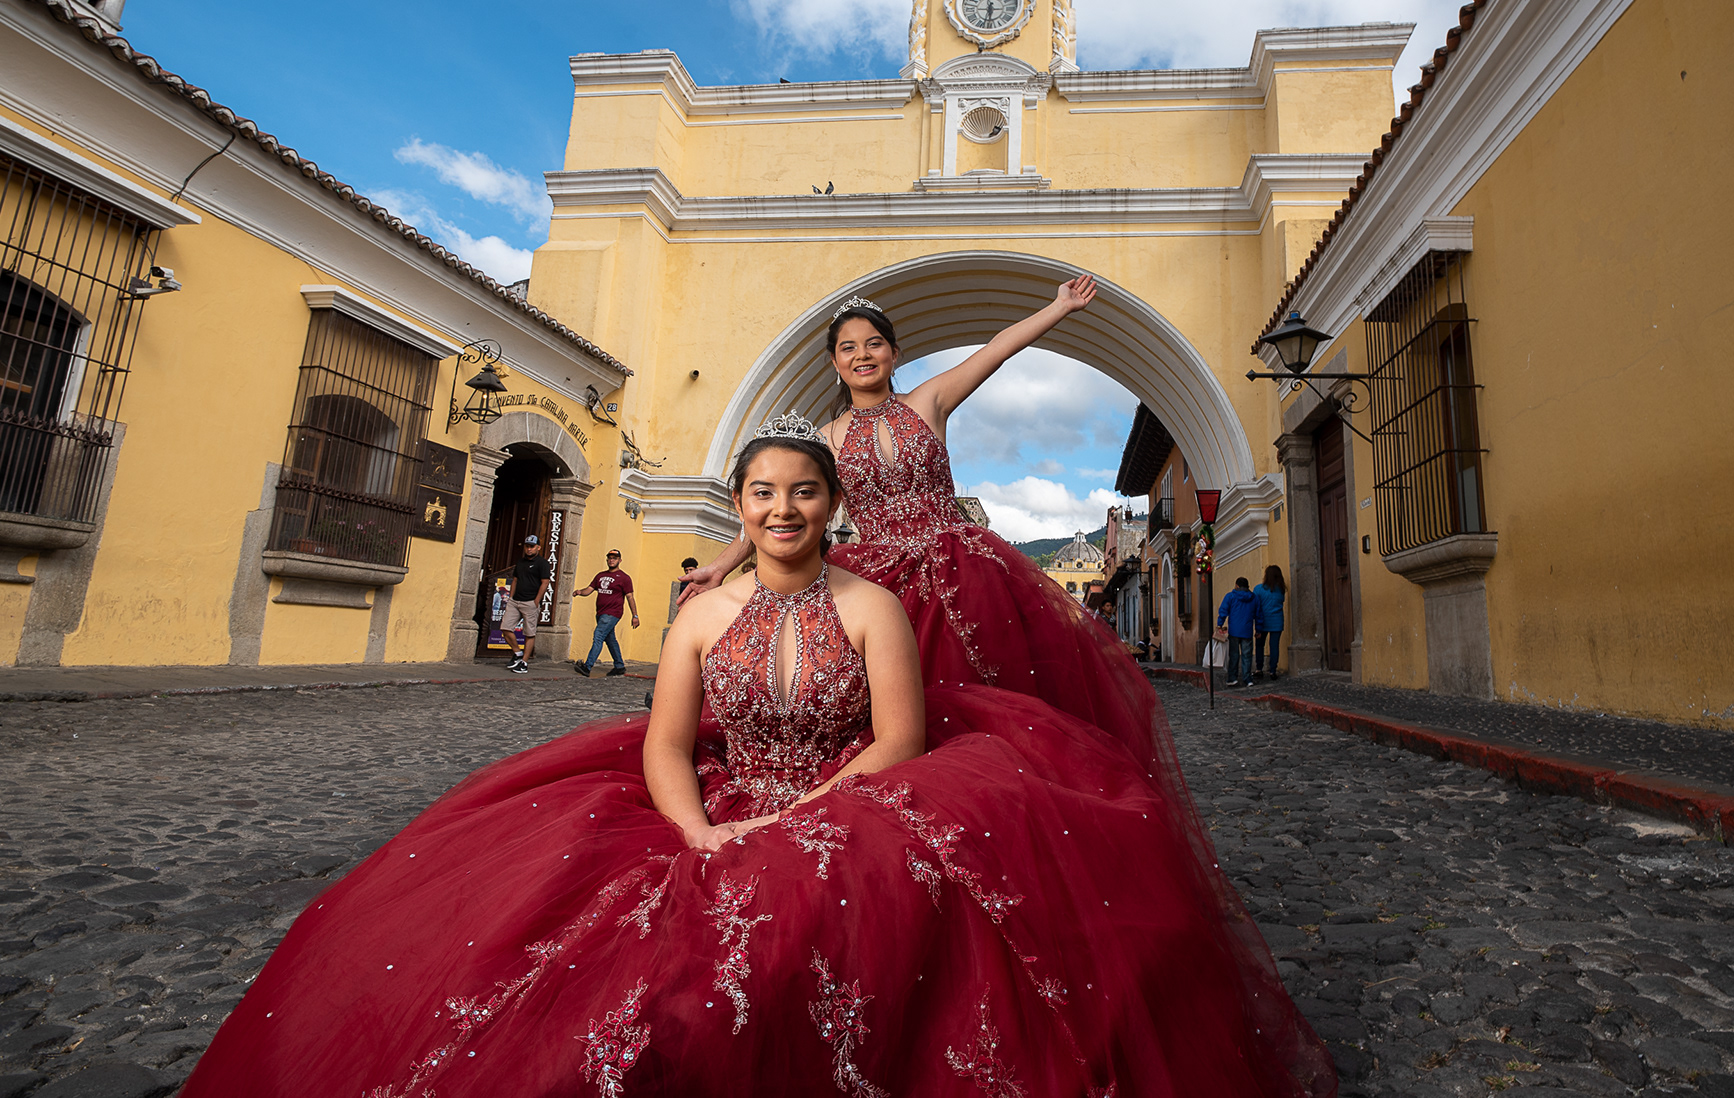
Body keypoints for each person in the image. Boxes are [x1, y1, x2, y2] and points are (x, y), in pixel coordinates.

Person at [177, 419, 1333, 1097]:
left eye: (804, 492)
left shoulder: (876, 605)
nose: (783, 509)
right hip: (717, 802)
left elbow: (901, 737)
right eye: (763, 493)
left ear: (834, 504)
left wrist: (813, 808)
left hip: (852, 793)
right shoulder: (696, 614)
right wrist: (691, 829)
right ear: (744, 505)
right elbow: (669, 745)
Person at [680, 285, 1334, 1095]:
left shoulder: (929, 398)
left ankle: (1021, 848)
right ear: (834, 364)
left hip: (963, 578)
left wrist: (1058, 310)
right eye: (847, 348)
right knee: (892, 727)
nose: (861, 357)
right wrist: (720, 564)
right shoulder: (825, 438)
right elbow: (785, 510)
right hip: (884, 580)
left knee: (993, 731)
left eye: (873, 344)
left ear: (893, 351)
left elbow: (998, 349)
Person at [572, 549, 639, 677]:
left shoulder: (624, 578)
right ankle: (619, 666)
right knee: (610, 639)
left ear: (620, 560)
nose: (612, 560)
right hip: (601, 613)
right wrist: (580, 592)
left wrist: (635, 616)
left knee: (598, 635)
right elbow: (589, 589)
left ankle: (587, 666)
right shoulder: (600, 575)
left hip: (613, 613)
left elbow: (630, 597)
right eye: (610, 557)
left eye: (615, 558)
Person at [504, 534, 550, 673]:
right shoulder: (520, 562)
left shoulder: (542, 563)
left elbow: (545, 582)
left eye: (532, 546)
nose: (529, 549)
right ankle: (517, 653)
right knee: (505, 628)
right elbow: (515, 580)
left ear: (538, 547)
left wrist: (537, 600)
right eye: (527, 546)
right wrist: (511, 597)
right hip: (515, 600)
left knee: (529, 633)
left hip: (530, 602)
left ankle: (524, 662)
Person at [1217, 576, 1258, 687]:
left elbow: (1223, 611)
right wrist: (1258, 629)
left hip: (1234, 631)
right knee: (1247, 655)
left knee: (1234, 655)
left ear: (1237, 586)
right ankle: (1247, 678)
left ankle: (1233, 678)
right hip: (1247, 631)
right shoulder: (1253, 598)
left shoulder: (1230, 596)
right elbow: (1258, 615)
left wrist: (1220, 624)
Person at [1253, 563, 1287, 680]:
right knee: (1274, 647)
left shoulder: (1258, 589)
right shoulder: (1281, 590)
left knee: (1260, 645)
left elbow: (1256, 606)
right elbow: (1281, 601)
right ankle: (1273, 670)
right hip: (1277, 621)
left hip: (1262, 622)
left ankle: (1259, 669)